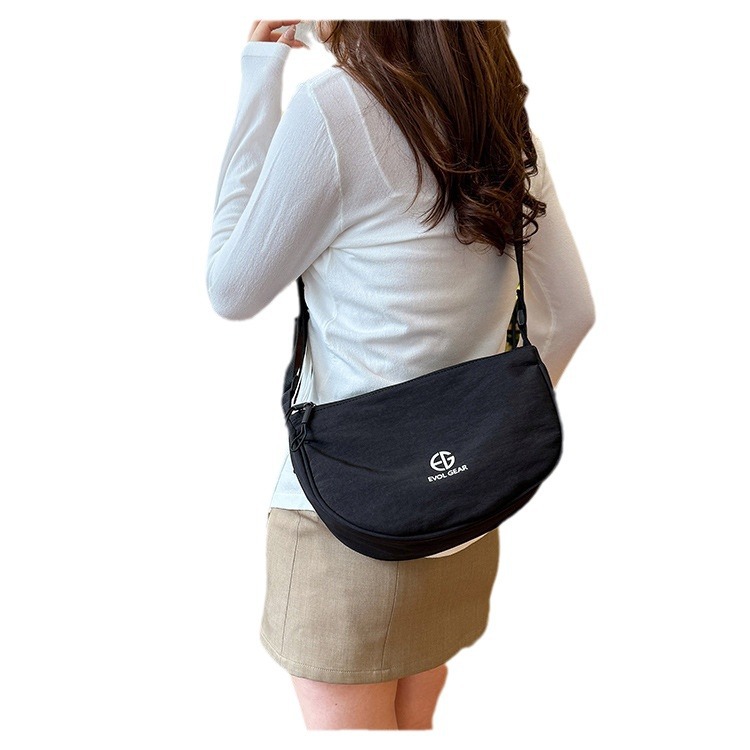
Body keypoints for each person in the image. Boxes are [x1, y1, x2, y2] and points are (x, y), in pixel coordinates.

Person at [206, 19, 595, 730]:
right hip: (467, 517)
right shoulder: (499, 118)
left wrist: (259, 76)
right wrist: (485, 440)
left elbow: (231, 290)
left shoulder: (335, 108)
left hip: (345, 525)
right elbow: (570, 314)